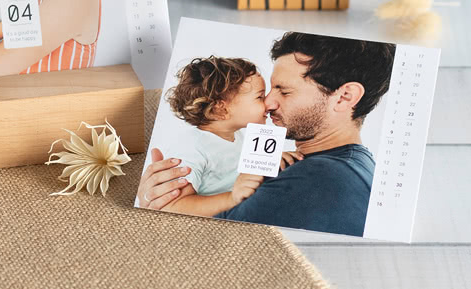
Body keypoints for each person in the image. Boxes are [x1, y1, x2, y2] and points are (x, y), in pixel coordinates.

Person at [137, 32, 396, 237]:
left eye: (284, 91)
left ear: (345, 97)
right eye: (267, 92)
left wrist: (157, 210)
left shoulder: (322, 178)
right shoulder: (331, 165)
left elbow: (202, 244)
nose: (269, 103)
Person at [154, 57, 272, 217]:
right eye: (260, 97)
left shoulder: (237, 133)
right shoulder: (192, 146)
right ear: (220, 110)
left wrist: (273, 162)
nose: (268, 103)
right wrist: (231, 198)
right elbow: (173, 206)